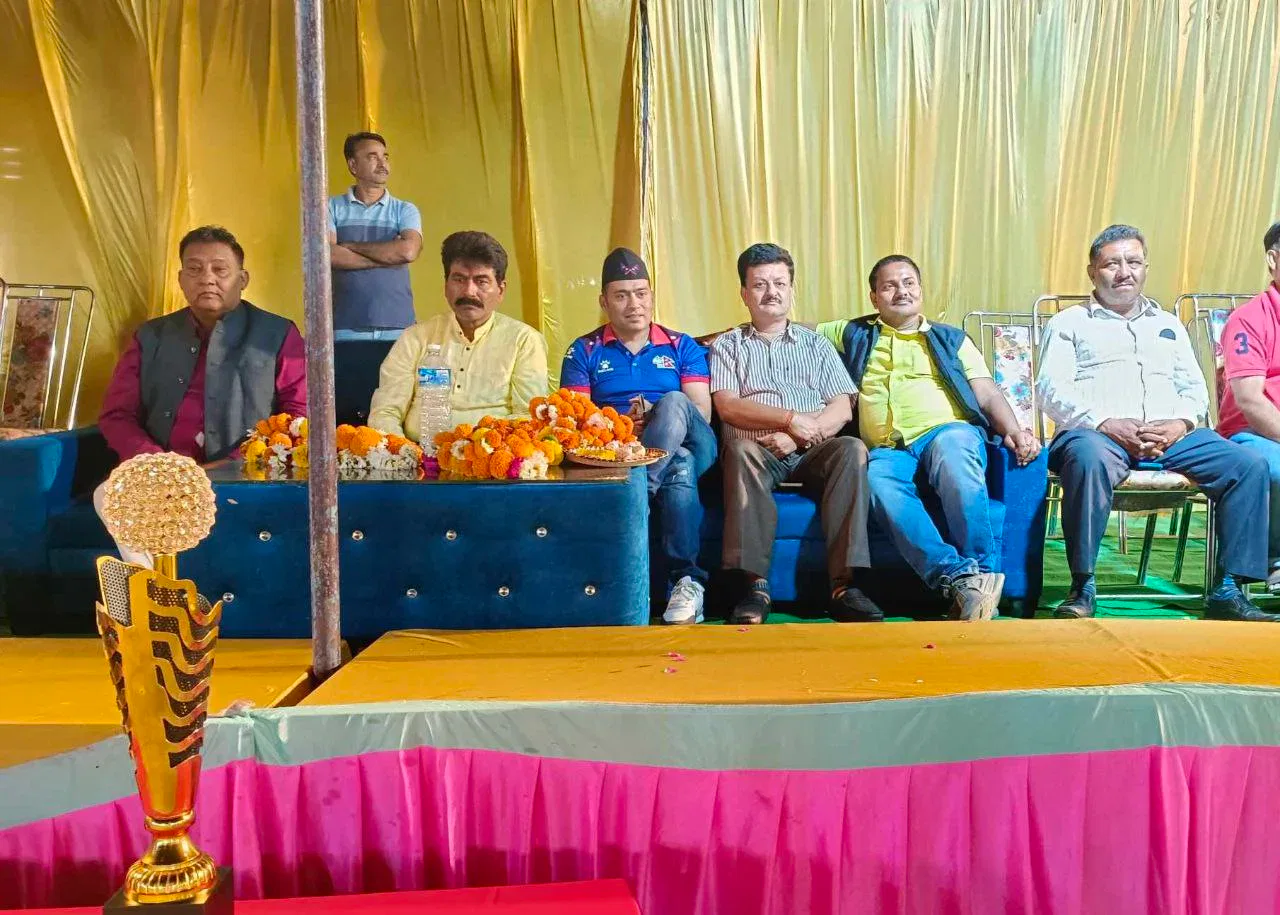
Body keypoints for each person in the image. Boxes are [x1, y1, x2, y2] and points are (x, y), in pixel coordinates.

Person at [1036, 224, 1274, 621]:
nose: (1124, 272)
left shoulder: (1167, 324)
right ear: (1092, 272)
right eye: (1112, 264)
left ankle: (1229, 589)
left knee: (1247, 465)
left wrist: (1181, 423)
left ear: (1146, 268)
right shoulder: (1069, 323)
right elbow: (1050, 389)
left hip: (1171, 436)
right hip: (1095, 435)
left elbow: (1195, 390)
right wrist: (1106, 422)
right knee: (1087, 459)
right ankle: (1083, 585)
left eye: (1133, 262)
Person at [815, 255, 1041, 620]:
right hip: (888, 448)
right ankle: (960, 579)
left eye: (908, 283)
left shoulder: (952, 339)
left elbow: (986, 392)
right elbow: (793, 328)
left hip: (946, 431)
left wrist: (1014, 430)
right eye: (889, 286)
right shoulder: (853, 332)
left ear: (920, 290)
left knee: (955, 456)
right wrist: (722, 337)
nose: (901, 291)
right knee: (875, 481)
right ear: (874, 297)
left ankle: (983, 571)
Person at [97, 225, 307, 566]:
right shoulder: (150, 336)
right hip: (161, 474)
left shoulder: (277, 333)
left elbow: (298, 415)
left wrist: (235, 461)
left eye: (220, 269)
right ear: (181, 280)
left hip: (241, 473)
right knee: (107, 494)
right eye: (194, 269)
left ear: (242, 279)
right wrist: (158, 463)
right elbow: (116, 416)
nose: (207, 278)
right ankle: (156, 590)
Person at [708, 243, 879, 625]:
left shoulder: (817, 345)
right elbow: (728, 406)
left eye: (780, 283)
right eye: (760, 284)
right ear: (744, 294)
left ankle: (845, 587)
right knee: (739, 451)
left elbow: (841, 407)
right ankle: (753, 587)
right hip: (757, 449)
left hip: (812, 450)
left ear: (791, 289)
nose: (771, 292)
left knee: (851, 448)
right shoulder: (727, 346)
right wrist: (788, 419)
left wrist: (799, 435)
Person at [561, 248, 716, 624]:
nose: (634, 304)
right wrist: (621, 425)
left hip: (694, 442)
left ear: (651, 296)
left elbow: (701, 412)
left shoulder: (681, 345)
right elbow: (575, 423)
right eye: (621, 295)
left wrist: (660, 415)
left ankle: (637, 495)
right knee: (678, 462)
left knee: (675, 402)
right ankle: (687, 583)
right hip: (621, 450)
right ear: (604, 302)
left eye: (641, 293)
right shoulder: (584, 350)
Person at [368, 231, 548, 439]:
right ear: (446, 286)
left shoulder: (524, 341)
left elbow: (529, 416)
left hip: (492, 454)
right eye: (459, 279)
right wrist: (403, 451)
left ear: (500, 289)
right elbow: (385, 413)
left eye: (481, 281)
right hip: (419, 453)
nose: (469, 292)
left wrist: (483, 447)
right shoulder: (415, 338)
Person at [1216, 221, 1280, 593]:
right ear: (1273, 259)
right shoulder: (1249, 320)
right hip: (1252, 434)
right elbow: (1251, 400)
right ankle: (1275, 559)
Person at [329, 132, 423, 339]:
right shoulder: (331, 207)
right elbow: (329, 256)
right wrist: (389, 257)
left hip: (398, 325)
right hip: (345, 325)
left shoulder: (405, 210)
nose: (383, 164)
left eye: (385, 157)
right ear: (353, 165)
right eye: (373, 157)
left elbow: (408, 251)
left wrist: (351, 246)